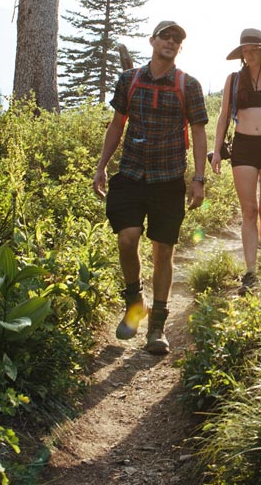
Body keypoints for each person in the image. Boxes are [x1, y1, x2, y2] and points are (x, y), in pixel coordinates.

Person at [93, 20, 208, 354]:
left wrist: (198, 178)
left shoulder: (189, 85)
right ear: (152, 41)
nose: (171, 42)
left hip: (169, 178)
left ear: (180, 47)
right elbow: (117, 125)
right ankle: (134, 303)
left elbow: (199, 133)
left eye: (177, 39)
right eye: (165, 36)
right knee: (127, 239)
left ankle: (156, 327)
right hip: (130, 174)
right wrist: (101, 166)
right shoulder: (129, 80)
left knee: (164, 251)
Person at [209, 28, 261, 294]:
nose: (248, 54)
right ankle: (251, 271)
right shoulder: (234, 80)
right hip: (243, 147)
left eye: (253, 49)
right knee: (249, 211)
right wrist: (217, 150)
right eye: (244, 50)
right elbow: (224, 117)